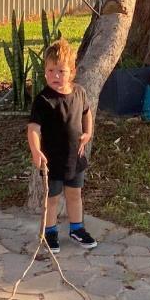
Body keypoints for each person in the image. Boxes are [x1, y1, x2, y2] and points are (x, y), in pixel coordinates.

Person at [27, 38, 97, 252]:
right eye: (50, 71)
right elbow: (33, 129)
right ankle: (50, 232)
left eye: (61, 71)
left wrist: (88, 133)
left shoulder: (79, 93)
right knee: (53, 198)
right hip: (52, 161)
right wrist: (35, 149)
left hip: (75, 157)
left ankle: (77, 229)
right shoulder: (43, 100)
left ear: (72, 72)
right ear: (45, 71)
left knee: (75, 195)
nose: (55, 76)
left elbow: (87, 113)